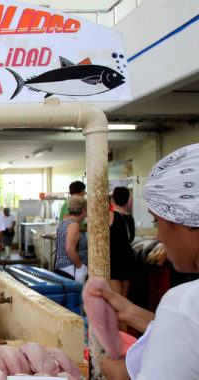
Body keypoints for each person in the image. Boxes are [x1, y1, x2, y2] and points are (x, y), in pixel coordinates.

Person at [96, 143, 199, 379]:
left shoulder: (184, 303)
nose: (159, 236)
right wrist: (131, 313)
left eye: (157, 222)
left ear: (185, 219)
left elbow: (184, 323)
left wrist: (114, 371)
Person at [109, 187, 136, 299]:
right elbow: (131, 238)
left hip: (115, 260)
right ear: (127, 200)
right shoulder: (130, 218)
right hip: (128, 259)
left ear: (112, 200)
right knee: (124, 299)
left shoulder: (110, 216)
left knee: (116, 299)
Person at [54, 196, 88, 284]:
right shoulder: (74, 225)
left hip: (62, 268)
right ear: (83, 210)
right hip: (71, 270)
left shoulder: (63, 223)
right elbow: (70, 249)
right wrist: (80, 266)